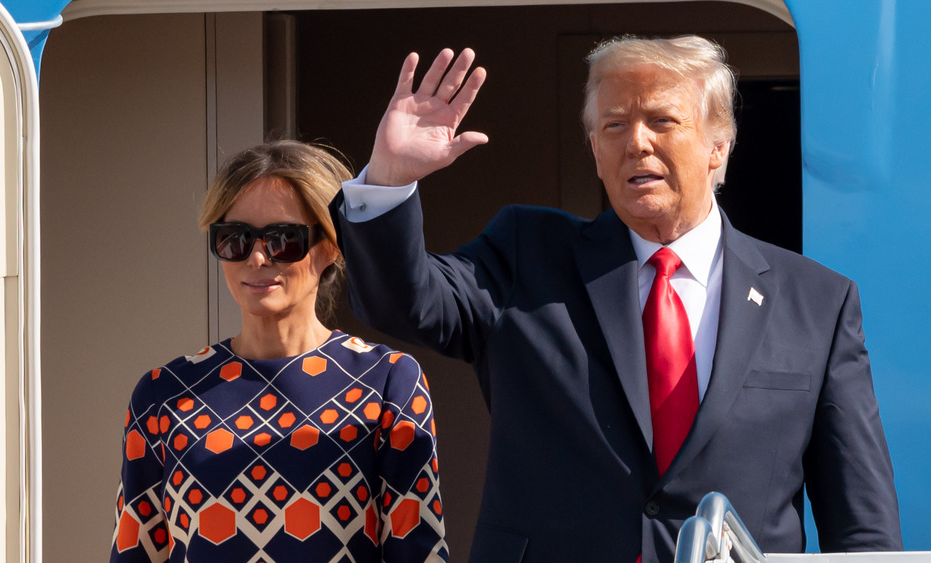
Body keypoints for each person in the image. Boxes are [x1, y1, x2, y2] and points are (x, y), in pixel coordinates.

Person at [330, 36, 903, 562]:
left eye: (662, 120)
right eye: (613, 126)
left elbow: (862, 523)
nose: (636, 142)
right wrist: (388, 179)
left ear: (718, 147)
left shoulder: (817, 302)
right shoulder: (527, 254)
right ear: (595, 151)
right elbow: (404, 303)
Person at [111, 140, 448, 562]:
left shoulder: (387, 382)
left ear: (331, 247)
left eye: (283, 239)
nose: (256, 257)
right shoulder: (163, 395)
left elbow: (419, 551)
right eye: (234, 238)